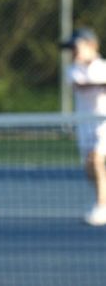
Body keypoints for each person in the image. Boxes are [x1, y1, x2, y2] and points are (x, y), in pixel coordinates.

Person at [62, 27, 106, 226]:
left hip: (103, 123)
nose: (73, 52)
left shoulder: (103, 67)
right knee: (90, 168)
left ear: (91, 46)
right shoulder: (72, 69)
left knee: (95, 160)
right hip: (84, 125)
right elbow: (81, 86)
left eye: (76, 47)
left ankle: (102, 206)